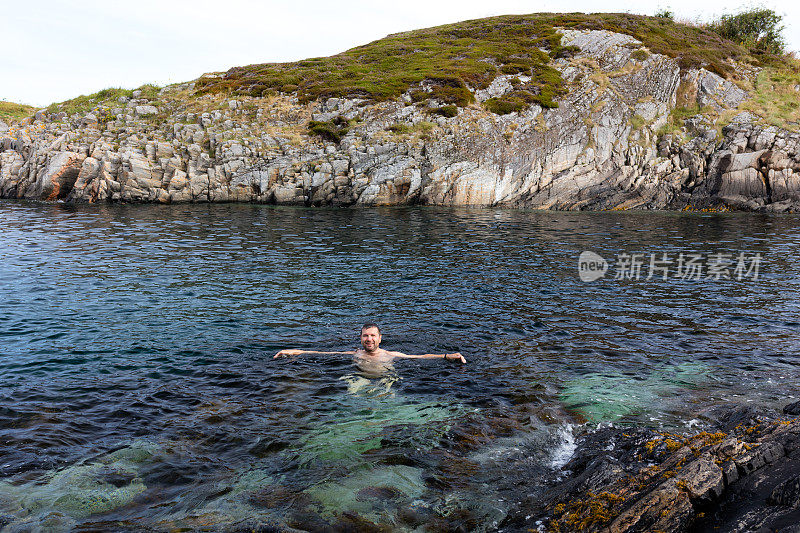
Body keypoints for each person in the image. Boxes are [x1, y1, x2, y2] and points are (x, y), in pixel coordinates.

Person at [274, 323, 467, 368]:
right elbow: (320, 352)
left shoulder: (391, 354)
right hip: (360, 378)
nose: (369, 339)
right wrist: (292, 351)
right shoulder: (354, 353)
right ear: (361, 339)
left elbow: (419, 357)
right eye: (366, 336)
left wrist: (446, 356)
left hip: (386, 380)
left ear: (380, 338)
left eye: (373, 336)